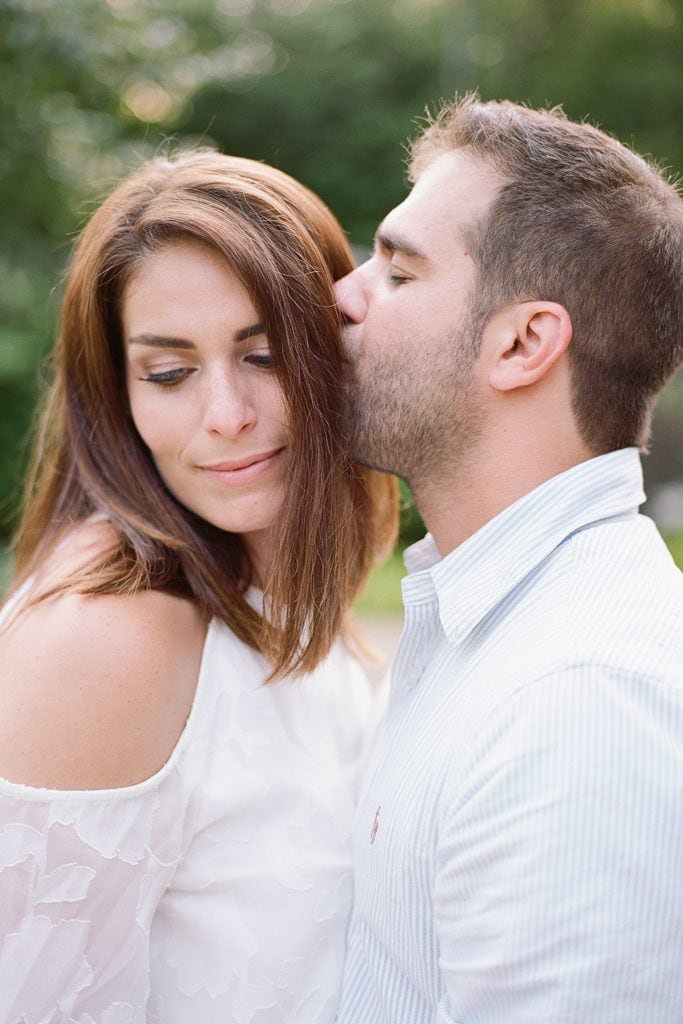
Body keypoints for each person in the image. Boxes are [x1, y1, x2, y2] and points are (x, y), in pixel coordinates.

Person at [0, 150, 397, 1023]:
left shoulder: (284, 595)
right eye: (169, 373)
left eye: (264, 355)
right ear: (118, 395)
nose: (226, 413)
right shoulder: (107, 638)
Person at [334, 95, 683, 1023]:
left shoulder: (580, 701)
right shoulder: (492, 626)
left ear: (523, 342)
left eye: (398, 272)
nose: (342, 295)